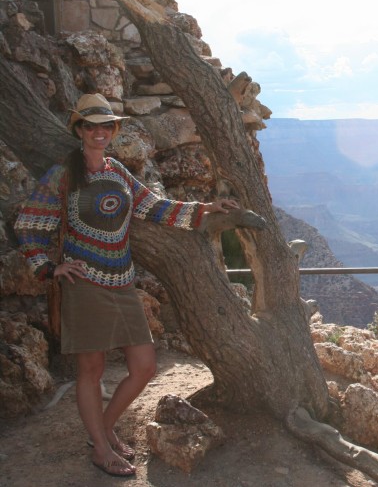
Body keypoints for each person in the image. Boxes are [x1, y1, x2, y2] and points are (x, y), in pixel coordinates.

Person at [14, 93, 239, 477]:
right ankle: (101, 448)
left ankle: (101, 428)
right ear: (79, 130)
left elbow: (152, 206)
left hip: (122, 282)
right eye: (90, 126)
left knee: (144, 366)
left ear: (113, 130)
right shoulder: (63, 174)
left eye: (106, 126)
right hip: (83, 286)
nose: (98, 132)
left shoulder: (117, 171)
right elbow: (30, 225)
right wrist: (49, 268)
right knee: (92, 370)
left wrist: (202, 210)